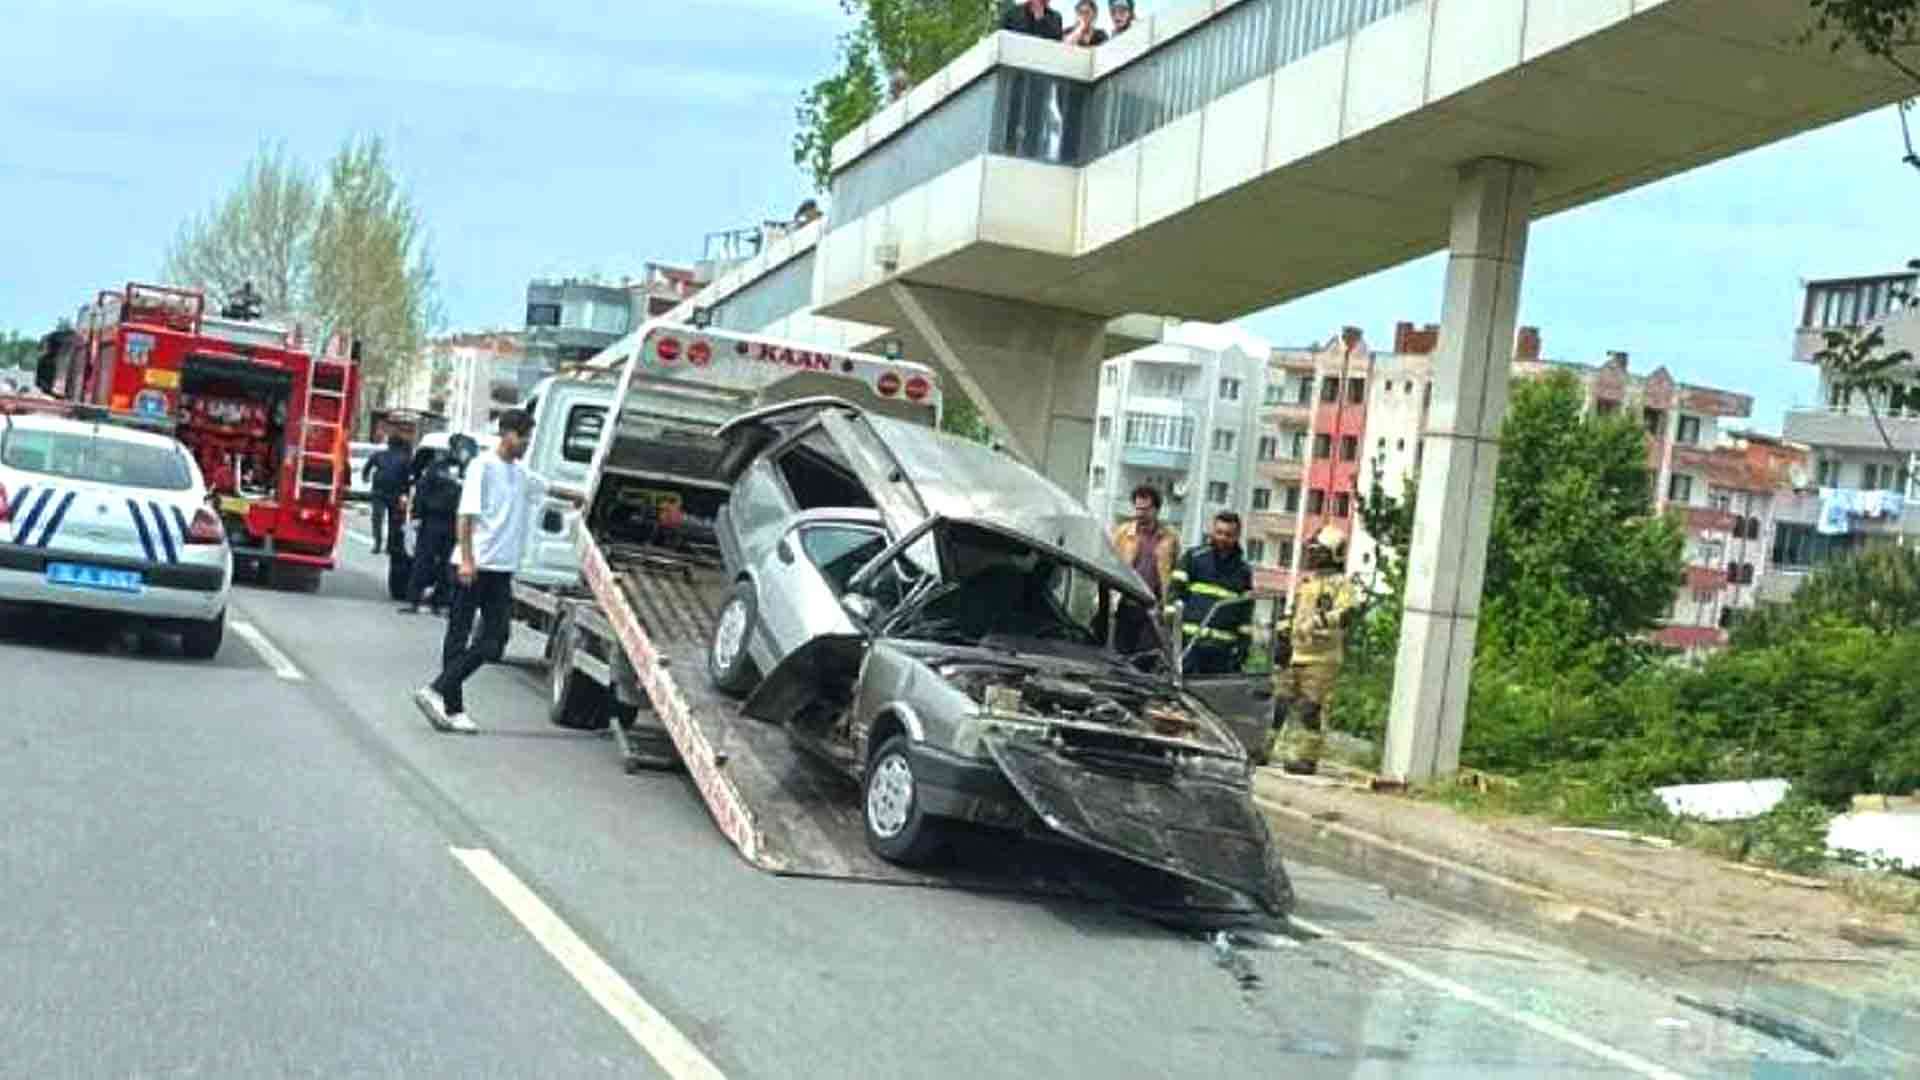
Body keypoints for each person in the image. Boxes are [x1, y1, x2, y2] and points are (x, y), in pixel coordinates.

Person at [414, 411, 547, 735]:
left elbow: (552, 490)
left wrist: (583, 498)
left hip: (500, 569)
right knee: (458, 636)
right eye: (523, 436)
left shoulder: (520, 474)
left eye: (530, 435)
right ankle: (452, 707)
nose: (527, 442)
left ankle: (438, 691)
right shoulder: (482, 467)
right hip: (474, 564)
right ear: (506, 434)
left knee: (496, 640)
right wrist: (468, 560)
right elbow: (465, 516)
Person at [1271, 525, 1359, 775]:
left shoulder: (1342, 584)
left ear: (1333, 553)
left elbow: (1346, 614)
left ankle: (1307, 759)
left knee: (1310, 708)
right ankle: (1262, 748)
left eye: (1317, 551)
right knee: (1279, 703)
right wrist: (1283, 635)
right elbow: (1293, 611)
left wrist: (1318, 622)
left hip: (1322, 658)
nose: (1311, 555)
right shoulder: (1307, 582)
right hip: (1296, 653)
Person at [1168, 511, 1254, 676]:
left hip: (1221, 652)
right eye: (1219, 532)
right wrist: (1171, 635)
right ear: (1212, 532)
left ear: (1237, 536)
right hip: (1189, 646)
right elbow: (1174, 596)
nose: (1222, 538)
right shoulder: (1193, 558)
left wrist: (1242, 649)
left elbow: (1245, 613)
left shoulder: (1243, 571)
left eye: (1228, 534)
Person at [398, 434, 474, 616]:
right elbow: (422, 490)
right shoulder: (437, 467)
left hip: (456, 522)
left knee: (449, 564)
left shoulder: (471, 471)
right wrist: (416, 516)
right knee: (423, 561)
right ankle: (413, 600)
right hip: (433, 520)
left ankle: (442, 602)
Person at [1110, 484, 1176, 654]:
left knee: (1146, 655)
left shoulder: (1169, 538)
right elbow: (1111, 563)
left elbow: (1172, 572)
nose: (1140, 513)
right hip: (1125, 602)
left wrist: (1167, 605)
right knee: (1121, 652)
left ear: (1156, 510)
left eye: (1145, 509)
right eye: (1137, 509)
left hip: (1152, 607)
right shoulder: (1123, 533)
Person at [362, 433, 413, 555]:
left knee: (377, 519)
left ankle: (377, 543)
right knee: (394, 522)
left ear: (389, 444)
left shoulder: (380, 455)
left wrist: (366, 477)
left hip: (379, 492)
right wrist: (405, 493)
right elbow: (409, 478)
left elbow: (367, 467)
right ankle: (390, 546)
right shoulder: (405, 459)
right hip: (395, 493)